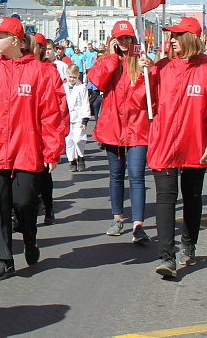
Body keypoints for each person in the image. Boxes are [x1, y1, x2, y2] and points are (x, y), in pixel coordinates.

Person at [0, 17, 66, 281]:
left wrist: (52, 151)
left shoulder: (41, 72)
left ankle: (30, 237)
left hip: (27, 150)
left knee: (25, 203)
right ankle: (4, 259)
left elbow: (52, 114)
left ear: (15, 40)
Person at [142, 17, 207, 278]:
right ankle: (166, 257)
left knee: (192, 199)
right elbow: (144, 105)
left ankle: (189, 244)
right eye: (171, 35)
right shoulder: (161, 67)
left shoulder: (205, 69)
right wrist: (142, 72)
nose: (171, 40)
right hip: (165, 144)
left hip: (195, 145)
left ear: (190, 38)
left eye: (176, 35)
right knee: (165, 200)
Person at [88, 20, 151, 242]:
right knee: (116, 176)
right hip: (113, 127)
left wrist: (146, 71)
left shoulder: (142, 62)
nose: (124, 42)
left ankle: (138, 225)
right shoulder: (106, 60)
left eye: (127, 38)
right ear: (113, 40)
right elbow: (97, 82)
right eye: (120, 38)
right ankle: (118, 219)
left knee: (136, 176)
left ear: (133, 39)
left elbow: (147, 96)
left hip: (137, 128)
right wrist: (113, 58)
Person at [31, 32, 68, 226]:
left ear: (41, 49)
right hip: (27, 129)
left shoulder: (50, 70)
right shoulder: (23, 67)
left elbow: (59, 101)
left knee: (45, 174)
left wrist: (56, 128)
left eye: (34, 45)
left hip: (44, 128)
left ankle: (48, 208)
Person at [63, 64, 90, 171]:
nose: (72, 79)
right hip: (67, 119)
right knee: (69, 140)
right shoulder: (63, 87)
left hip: (78, 117)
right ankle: (72, 160)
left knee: (78, 139)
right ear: (67, 75)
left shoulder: (82, 87)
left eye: (74, 77)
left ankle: (81, 156)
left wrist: (85, 120)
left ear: (78, 76)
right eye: (70, 77)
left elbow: (85, 103)